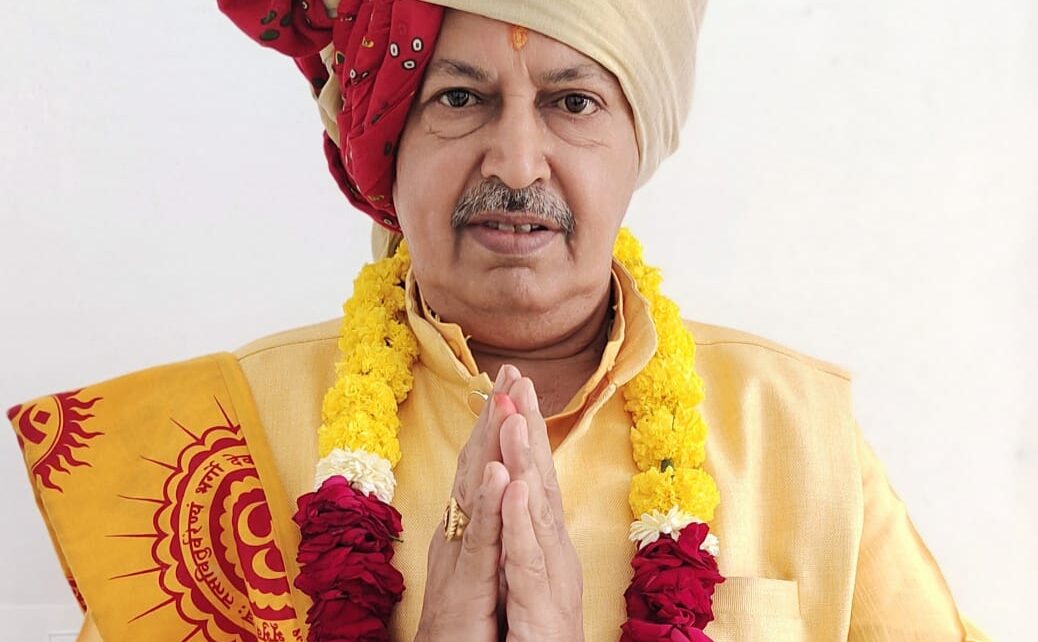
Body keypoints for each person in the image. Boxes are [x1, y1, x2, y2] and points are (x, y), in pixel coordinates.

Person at [6, 1, 992, 640]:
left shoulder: (797, 431)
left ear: (637, 142)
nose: (517, 163)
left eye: (573, 101)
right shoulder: (216, 441)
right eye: (460, 97)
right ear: (386, 145)